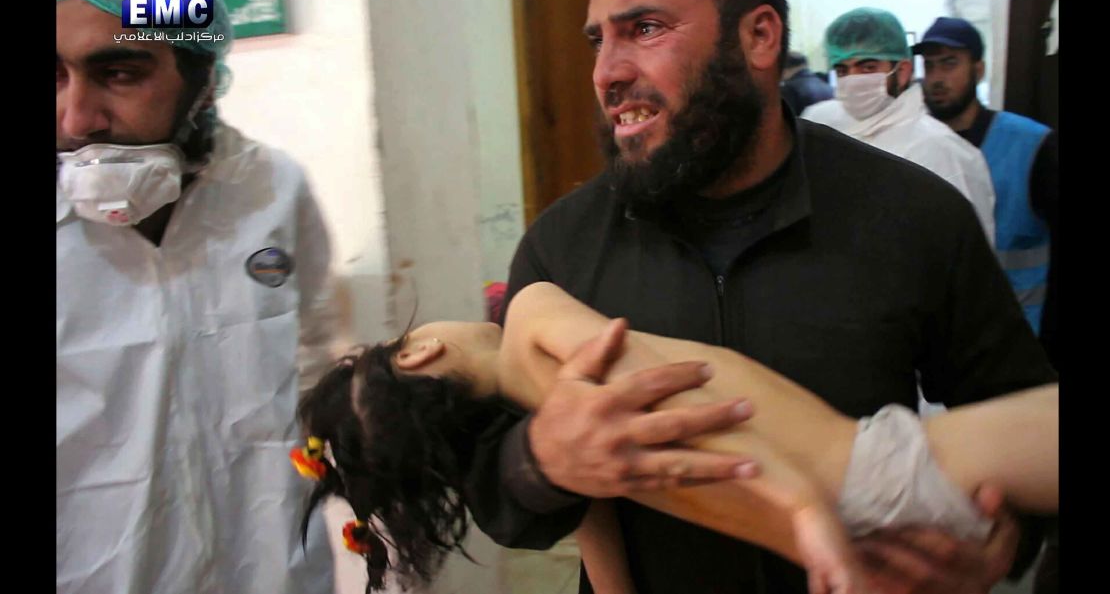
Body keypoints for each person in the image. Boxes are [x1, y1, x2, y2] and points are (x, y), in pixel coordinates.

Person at [461, 0, 1058, 593]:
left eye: (645, 28)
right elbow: (495, 500)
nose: (606, 72)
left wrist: (998, 543)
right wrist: (543, 460)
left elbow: (1026, 423)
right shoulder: (562, 251)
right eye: (598, 41)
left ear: (760, 36)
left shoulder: (913, 217)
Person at [292, 281, 1059, 594]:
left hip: (867, 537)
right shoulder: (533, 317)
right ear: (420, 352)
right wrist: (802, 506)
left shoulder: (570, 446)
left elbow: (609, 572)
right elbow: (676, 401)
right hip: (876, 471)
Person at [57, 0, 341, 593]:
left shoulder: (269, 192)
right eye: (55, 76)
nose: (78, 117)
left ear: (203, 79)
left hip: (273, 573)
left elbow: (318, 371)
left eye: (120, 72)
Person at [914, 16, 1058, 357]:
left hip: (1021, 342)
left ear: (978, 70)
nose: (936, 78)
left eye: (950, 64)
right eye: (930, 66)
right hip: (941, 346)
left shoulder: (1032, 145)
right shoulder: (915, 146)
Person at [801, 8, 996, 246]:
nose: (852, 80)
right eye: (842, 70)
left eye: (868, 67)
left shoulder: (943, 153)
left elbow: (969, 259)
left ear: (902, 72)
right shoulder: (820, 123)